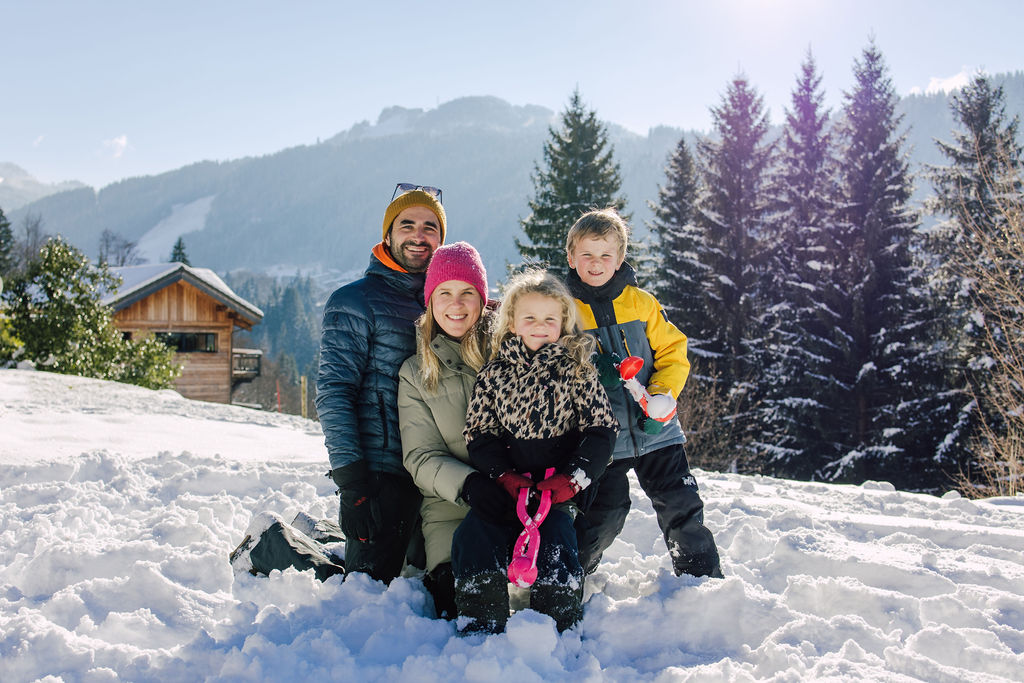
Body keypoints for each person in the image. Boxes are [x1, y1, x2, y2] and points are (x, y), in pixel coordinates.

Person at [454, 269, 620, 634]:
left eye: (549, 318)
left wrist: (571, 481)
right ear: (512, 322)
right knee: (474, 536)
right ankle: (480, 617)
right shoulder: (494, 374)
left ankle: (556, 622)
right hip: (508, 488)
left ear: (563, 322)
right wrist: (503, 475)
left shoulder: (577, 371)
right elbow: (479, 433)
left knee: (558, 543)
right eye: (530, 318)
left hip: (556, 491)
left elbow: (602, 430)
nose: (540, 326)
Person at [565, 207, 722, 580]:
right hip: (602, 436)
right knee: (603, 515)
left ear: (620, 259)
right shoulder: (564, 309)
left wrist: (661, 396)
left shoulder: (642, 303)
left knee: (681, 505)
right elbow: (554, 362)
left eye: (606, 255)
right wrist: (585, 367)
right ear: (571, 257)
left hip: (657, 430)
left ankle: (702, 581)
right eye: (586, 254)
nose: (596, 263)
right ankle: (574, 577)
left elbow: (672, 352)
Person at [315, 183, 446, 584]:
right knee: (369, 586)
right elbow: (334, 393)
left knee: (438, 577)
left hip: (437, 469)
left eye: (430, 227)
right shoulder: (355, 301)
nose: (418, 236)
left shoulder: (448, 303)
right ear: (387, 235)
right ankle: (276, 548)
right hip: (382, 474)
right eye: (407, 225)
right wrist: (352, 482)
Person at [397, 241, 493, 621]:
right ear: (431, 301)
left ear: (482, 299)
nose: (457, 304)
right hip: (453, 509)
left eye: (468, 292)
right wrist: (469, 485)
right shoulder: (416, 373)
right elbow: (420, 457)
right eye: (446, 293)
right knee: (465, 603)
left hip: (523, 499)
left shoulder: (510, 349)